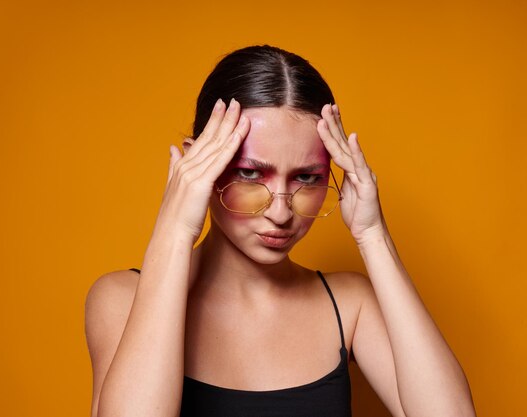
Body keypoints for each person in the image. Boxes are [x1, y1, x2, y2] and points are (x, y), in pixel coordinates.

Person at [84, 45, 477, 417]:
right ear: (198, 165)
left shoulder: (349, 305)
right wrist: (175, 229)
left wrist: (373, 234)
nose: (280, 211)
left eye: (307, 178)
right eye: (250, 173)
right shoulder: (121, 299)